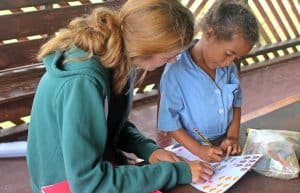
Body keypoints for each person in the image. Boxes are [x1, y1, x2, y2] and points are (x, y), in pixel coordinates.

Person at [26, 1, 215, 193]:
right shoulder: (83, 82)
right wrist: (175, 172)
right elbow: (88, 184)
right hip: (65, 184)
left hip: (94, 168)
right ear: (146, 46)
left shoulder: (121, 58)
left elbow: (108, 124)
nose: (174, 60)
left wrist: (149, 150)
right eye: (170, 54)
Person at [158, 0, 259, 163]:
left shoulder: (229, 68)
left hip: (223, 143)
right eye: (228, 53)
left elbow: (236, 104)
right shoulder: (176, 72)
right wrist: (199, 150)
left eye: (236, 58)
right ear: (209, 34)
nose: (229, 62)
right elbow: (169, 122)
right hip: (190, 149)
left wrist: (232, 137)